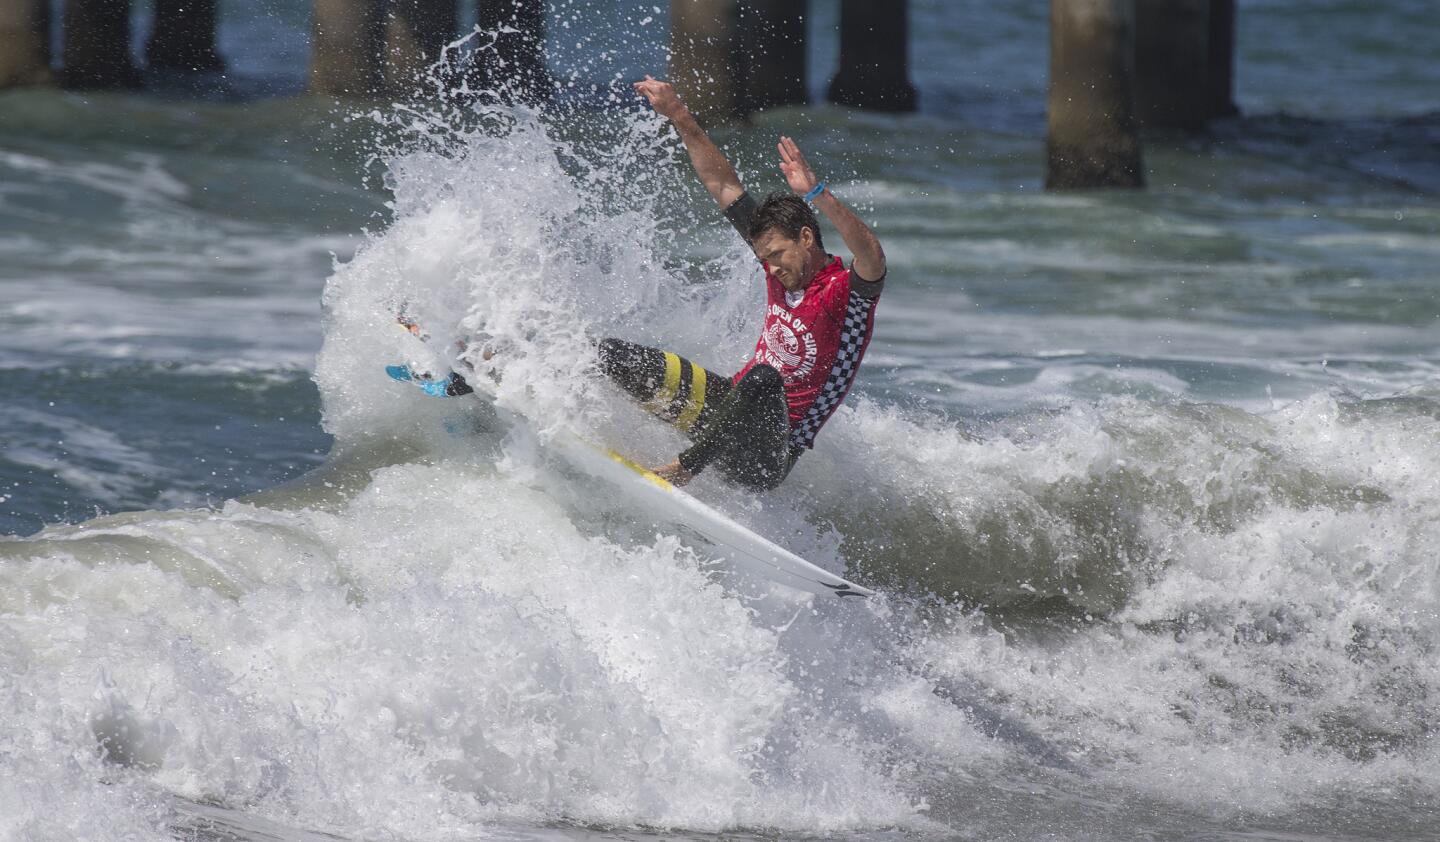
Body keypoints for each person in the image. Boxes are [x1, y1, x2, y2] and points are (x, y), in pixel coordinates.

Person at [603, 76, 888, 490]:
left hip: (766, 456)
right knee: (614, 355)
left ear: (806, 239)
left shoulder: (845, 294)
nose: (770, 269)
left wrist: (819, 194)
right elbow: (724, 185)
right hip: (726, 415)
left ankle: (683, 470)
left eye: (776, 256)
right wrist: (679, 114)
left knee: (763, 378)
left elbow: (873, 256)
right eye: (763, 260)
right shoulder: (776, 261)